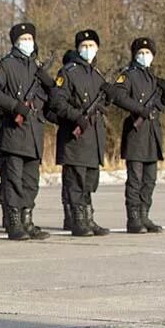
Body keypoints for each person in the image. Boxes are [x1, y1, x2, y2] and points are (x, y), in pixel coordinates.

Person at [0, 22, 54, 240]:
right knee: (13, 181)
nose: (27, 42)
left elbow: (51, 99)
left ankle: (27, 220)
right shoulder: (6, 65)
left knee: (30, 182)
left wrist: (50, 85)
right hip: (13, 133)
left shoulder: (37, 68)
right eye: (23, 39)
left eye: (30, 38)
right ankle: (13, 221)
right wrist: (14, 106)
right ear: (15, 42)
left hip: (34, 134)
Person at [48, 29, 111, 238]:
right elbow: (57, 101)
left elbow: (104, 104)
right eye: (84, 46)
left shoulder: (97, 74)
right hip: (75, 138)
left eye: (92, 45)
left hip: (93, 138)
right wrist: (77, 117)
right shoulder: (68, 72)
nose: (88, 49)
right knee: (76, 182)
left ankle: (88, 219)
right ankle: (78, 221)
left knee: (89, 182)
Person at [107, 37, 165, 234]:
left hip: (152, 133)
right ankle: (133, 218)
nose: (145, 56)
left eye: (148, 53)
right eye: (141, 53)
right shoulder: (128, 75)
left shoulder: (152, 77)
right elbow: (117, 95)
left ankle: (144, 214)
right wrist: (139, 110)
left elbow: (158, 108)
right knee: (135, 178)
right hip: (136, 133)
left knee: (150, 179)